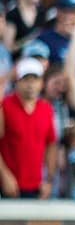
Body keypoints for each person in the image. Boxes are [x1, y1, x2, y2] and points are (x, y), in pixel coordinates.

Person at [0, 58, 59, 198]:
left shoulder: (46, 109)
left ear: (41, 83)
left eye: (35, 79)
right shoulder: (4, 106)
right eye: (26, 79)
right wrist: (4, 175)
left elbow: (51, 144)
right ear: (18, 82)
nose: (31, 84)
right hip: (7, 186)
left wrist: (49, 180)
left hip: (36, 186)